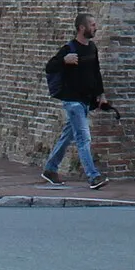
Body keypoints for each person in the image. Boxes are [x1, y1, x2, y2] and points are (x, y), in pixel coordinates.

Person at [42, 14, 111, 189]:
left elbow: (96, 72)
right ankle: (93, 176)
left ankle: (50, 169)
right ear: (82, 28)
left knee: (68, 136)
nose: (96, 28)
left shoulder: (92, 48)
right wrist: (64, 61)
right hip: (72, 100)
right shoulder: (69, 48)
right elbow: (49, 67)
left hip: (86, 100)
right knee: (83, 137)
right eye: (93, 25)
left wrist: (101, 95)